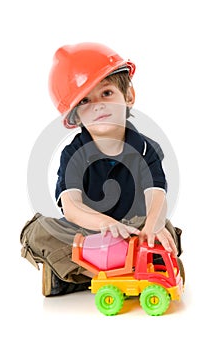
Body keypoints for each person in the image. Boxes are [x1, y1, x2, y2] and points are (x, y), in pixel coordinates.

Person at [21, 42, 183, 296]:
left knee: (164, 227)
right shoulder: (72, 154)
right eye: (85, 100)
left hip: (134, 231)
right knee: (38, 230)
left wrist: (153, 226)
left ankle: (91, 276)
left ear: (128, 97)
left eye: (106, 93)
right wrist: (104, 224)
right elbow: (72, 207)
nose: (97, 105)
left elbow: (157, 195)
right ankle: (98, 274)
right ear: (74, 116)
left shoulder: (145, 149)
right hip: (90, 234)